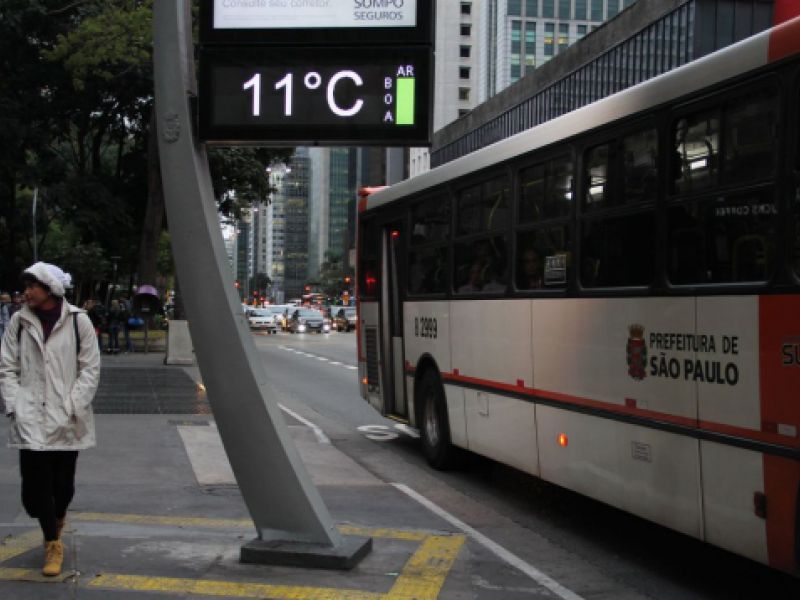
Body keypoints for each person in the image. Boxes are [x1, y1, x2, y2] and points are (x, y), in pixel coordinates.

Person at [0, 262, 100, 577]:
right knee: (34, 492)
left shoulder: (78, 321)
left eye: (32, 286)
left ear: (50, 289)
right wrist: (15, 403)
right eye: (25, 286)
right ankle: (53, 542)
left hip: (66, 417)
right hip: (30, 415)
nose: (26, 292)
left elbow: (90, 368)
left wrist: (73, 404)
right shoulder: (18, 321)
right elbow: (7, 366)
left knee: (63, 487)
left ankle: (55, 521)